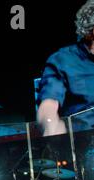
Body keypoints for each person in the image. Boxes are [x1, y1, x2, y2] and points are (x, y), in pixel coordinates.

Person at [37, 0, 94, 136]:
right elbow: (48, 105)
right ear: (91, 31)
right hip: (84, 147)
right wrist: (52, 125)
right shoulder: (63, 60)